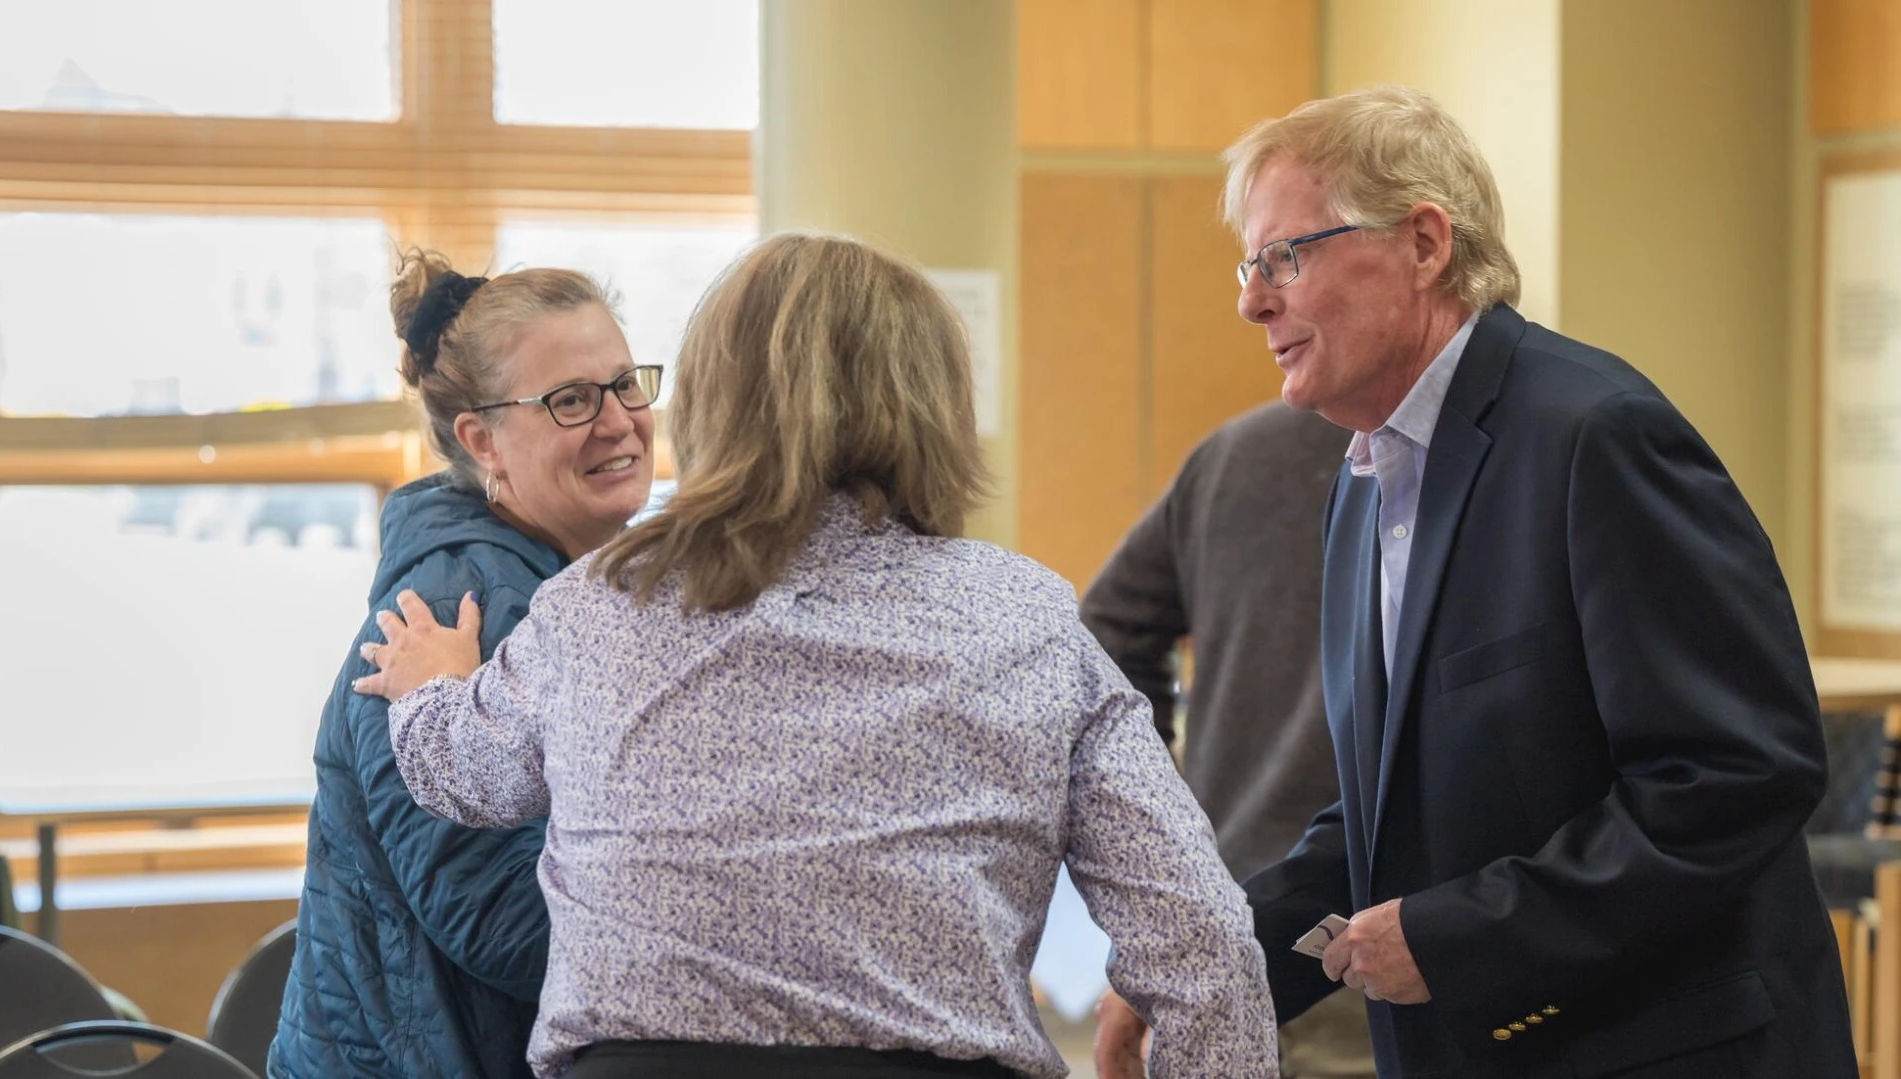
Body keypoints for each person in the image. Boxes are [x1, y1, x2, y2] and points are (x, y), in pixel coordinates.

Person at [352, 233, 1278, 1079]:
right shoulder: (1024, 618)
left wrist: (435, 689)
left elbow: (456, 773)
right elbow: (1204, 943)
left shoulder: (599, 606)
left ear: (714, 398)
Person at [1119, 84, 1853, 1078]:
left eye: (1285, 256)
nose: (1252, 298)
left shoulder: (1596, 436)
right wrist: (1209, 964)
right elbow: (1384, 826)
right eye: (1249, 265)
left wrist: (1464, 934)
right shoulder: (1364, 483)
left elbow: (1736, 773)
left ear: (1424, 244)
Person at [270, 250, 661, 1079]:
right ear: (483, 440)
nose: (619, 420)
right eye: (571, 400)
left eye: (627, 383)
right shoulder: (460, 608)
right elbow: (504, 917)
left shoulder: (562, 582)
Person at [1081, 402, 1371, 1079]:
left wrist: (1161, 823)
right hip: (1370, 929)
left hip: (1230, 910)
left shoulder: (1229, 456)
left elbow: (1105, 633)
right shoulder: (1467, 455)